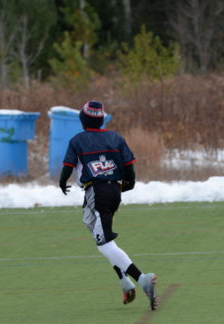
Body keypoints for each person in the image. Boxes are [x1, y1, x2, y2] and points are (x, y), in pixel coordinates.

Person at [59, 100, 158, 309]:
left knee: (103, 242)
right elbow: (129, 165)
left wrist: (62, 181)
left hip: (97, 192)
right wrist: (130, 183)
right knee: (103, 239)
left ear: (82, 120)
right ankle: (124, 281)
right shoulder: (115, 137)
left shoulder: (78, 140)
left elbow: (68, 165)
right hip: (111, 191)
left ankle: (142, 279)